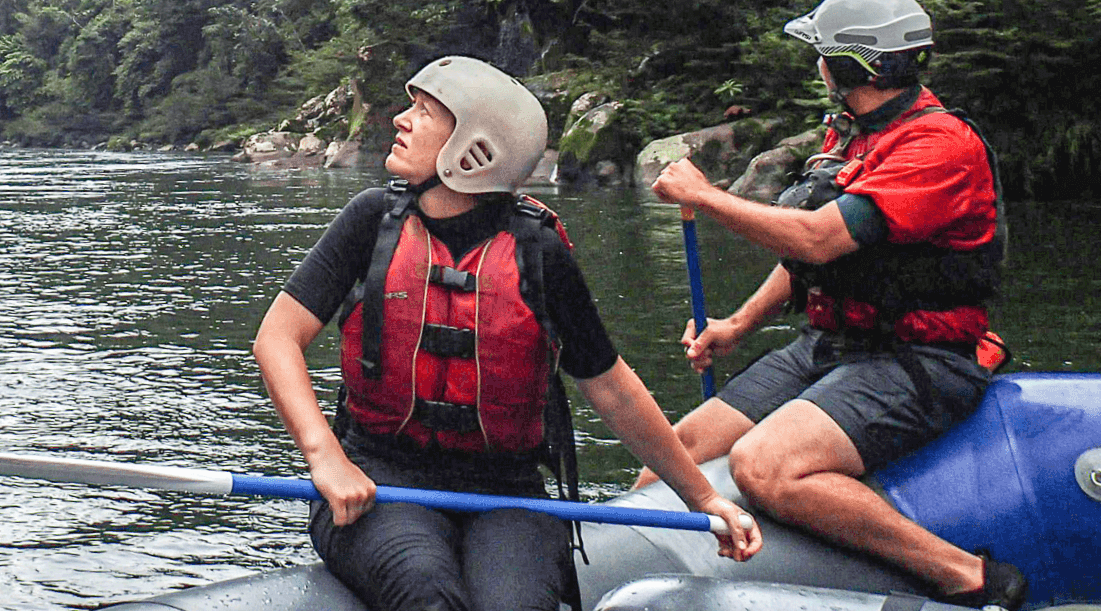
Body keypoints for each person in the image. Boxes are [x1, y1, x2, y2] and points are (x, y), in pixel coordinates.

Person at [254, 55, 760, 611]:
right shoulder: (370, 220)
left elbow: (610, 387)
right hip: (380, 476)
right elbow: (277, 338)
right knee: (426, 592)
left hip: (504, 490)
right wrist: (326, 458)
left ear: (475, 147)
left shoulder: (537, 249)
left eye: (423, 113)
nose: (400, 120)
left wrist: (704, 498)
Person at [649, 0, 1021, 609]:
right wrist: (734, 326)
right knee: (672, 457)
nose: (817, 65)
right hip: (831, 344)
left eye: (821, 52)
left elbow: (820, 238)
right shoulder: (849, 134)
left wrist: (706, 195)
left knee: (764, 465)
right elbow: (809, 260)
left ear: (847, 64)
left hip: (922, 361)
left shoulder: (940, 147)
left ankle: (971, 576)